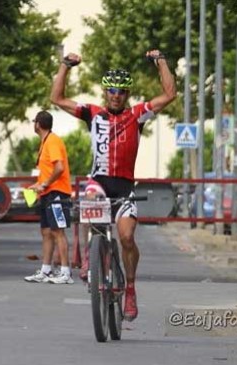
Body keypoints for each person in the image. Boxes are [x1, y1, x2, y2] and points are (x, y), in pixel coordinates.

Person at [50, 49, 176, 321]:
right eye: (111, 90)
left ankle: (130, 288)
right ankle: (88, 259)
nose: (116, 95)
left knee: (127, 238)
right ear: (105, 93)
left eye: (121, 91)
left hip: (124, 186)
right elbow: (56, 98)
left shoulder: (137, 115)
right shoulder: (93, 114)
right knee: (89, 204)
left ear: (127, 94)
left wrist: (161, 61)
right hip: (99, 182)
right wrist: (65, 66)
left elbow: (169, 95)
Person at [23, 111, 74, 284]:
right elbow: (47, 171)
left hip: (57, 193)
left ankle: (65, 272)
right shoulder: (45, 142)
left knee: (58, 231)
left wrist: (45, 184)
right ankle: (46, 270)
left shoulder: (52, 141)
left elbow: (59, 168)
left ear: (37, 124)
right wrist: (38, 186)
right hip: (46, 193)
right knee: (46, 232)